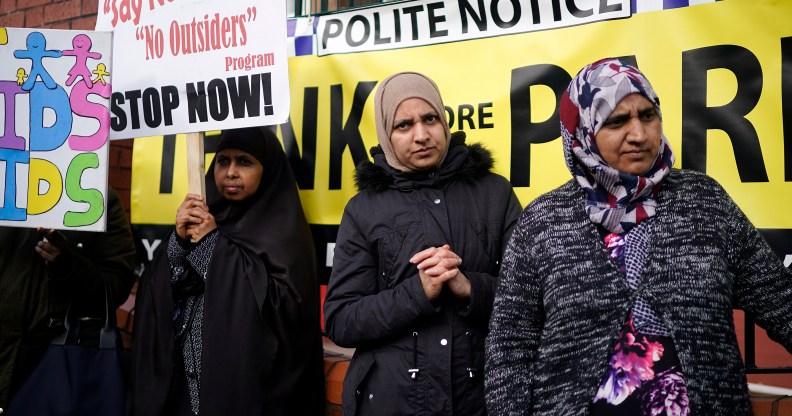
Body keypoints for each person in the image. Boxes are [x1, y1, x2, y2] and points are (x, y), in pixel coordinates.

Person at [485, 58, 792, 415]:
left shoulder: (704, 202)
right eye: (616, 121)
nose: (639, 134)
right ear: (584, 131)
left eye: (647, 115)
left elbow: (780, 300)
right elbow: (511, 346)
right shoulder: (542, 222)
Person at [324, 71, 522, 415]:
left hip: (479, 400)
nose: (421, 135)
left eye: (430, 118)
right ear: (386, 133)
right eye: (404, 125)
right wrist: (418, 293)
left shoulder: (495, 193)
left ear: (444, 121)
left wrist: (469, 288)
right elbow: (342, 320)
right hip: (393, 402)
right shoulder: (364, 210)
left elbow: (528, 299)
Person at [130, 127, 325, 416]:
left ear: (266, 169)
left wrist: (213, 246)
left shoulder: (284, 233)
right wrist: (178, 244)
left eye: (244, 162)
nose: (231, 172)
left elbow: (284, 314)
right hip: (185, 388)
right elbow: (163, 294)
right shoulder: (205, 217)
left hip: (240, 393)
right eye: (223, 161)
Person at [0, 188, 137, 412]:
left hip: (54, 366)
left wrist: (68, 266)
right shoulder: (5, 181)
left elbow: (116, 284)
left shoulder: (97, 196)